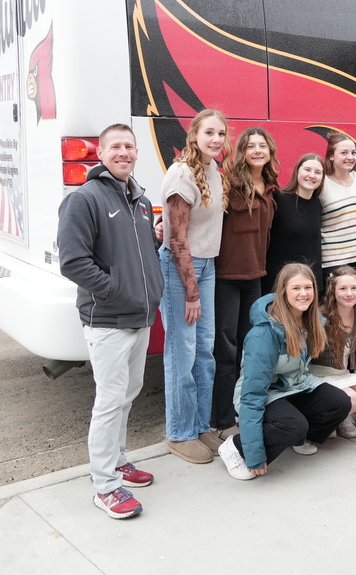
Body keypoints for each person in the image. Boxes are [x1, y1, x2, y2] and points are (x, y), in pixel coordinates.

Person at [57, 123, 165, 519]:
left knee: (127, 393)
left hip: (139, 316)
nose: (124, 152)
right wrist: (118, 291)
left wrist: (151, 242)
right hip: (108, 319)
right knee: (108, 400)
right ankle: (104, 484)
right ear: (100, 153)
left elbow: (130, 254)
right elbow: (73, 261)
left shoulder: (138, 200)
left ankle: (118, 460)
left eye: (130, 146)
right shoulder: (84, 199)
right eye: (116, 146)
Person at [218, 264, 352, 481]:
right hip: (262, 392)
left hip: (293, 385)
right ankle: (235, 446)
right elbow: (252, 395)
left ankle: (297, 438)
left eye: (308, 287)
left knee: (339, 402)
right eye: (296, 288)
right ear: (283, 292)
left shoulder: (311, 320)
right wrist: (253, 454)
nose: (303, 294)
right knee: (293, 425)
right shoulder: (265, 333)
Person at [159, 109, 230, 465]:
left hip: (207, 265)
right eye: (209, 133)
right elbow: (177, 238)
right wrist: (191, 292)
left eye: (220, 133)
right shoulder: (181, 174)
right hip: (180, 270)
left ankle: (201, 425)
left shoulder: (214, 170)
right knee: (181, 353)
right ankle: (179, 433)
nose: (215, 139)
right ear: (194, 134)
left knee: (205, 351)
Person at [211, 127, 279, 436]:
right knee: (225, 351)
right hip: (227, 278)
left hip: (255, 279)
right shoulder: (230, 184)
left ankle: (241, 408)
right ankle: (222, 418)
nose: (256, 151)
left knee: (248, 350)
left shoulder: (269, 187)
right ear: (242, 151)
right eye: (250, 146)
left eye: (262, 146)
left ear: (269, 152)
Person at [312, 266, 356, 438]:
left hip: (341, 374)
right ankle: (330, 418)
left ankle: (343, 415)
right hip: (318, 377)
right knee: (350, 396)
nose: (349, 293)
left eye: (354, 288)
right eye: (342, 289)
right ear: (332, 291)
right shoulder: (322, 317)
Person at [264, 154, 325, 293]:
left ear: (322, 179)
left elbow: (314, 250)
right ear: (297, 171)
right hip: (278, 284)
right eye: (307, 170)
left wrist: (318, 288)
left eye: (317, 172)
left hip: (306, 287)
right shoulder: (279, 199)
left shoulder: (317, 205)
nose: (312, 175)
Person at [319, 132, 356, 277]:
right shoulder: (321, 183)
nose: (350, 157)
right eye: (344, 153)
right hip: (333, 259)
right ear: (331, 156)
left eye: (353, 153)